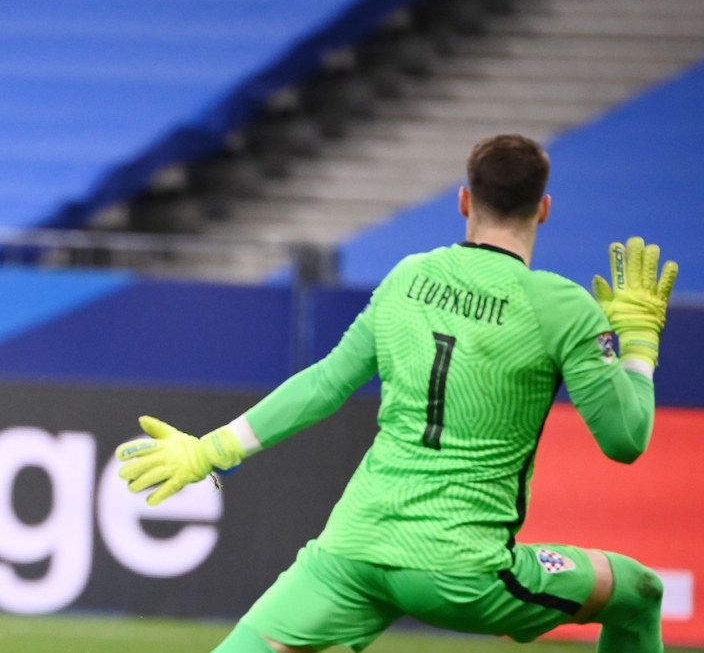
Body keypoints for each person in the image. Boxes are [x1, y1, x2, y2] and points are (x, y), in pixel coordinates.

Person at [115, 134, 677, 652]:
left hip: (353, 551)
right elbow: (625, 439)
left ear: (463, 201)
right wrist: (637, 347)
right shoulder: (559, 305)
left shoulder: (408, 277)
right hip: (462, 571)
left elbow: (324, 383)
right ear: (544, 208)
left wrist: (208, 450)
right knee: (639, 591)